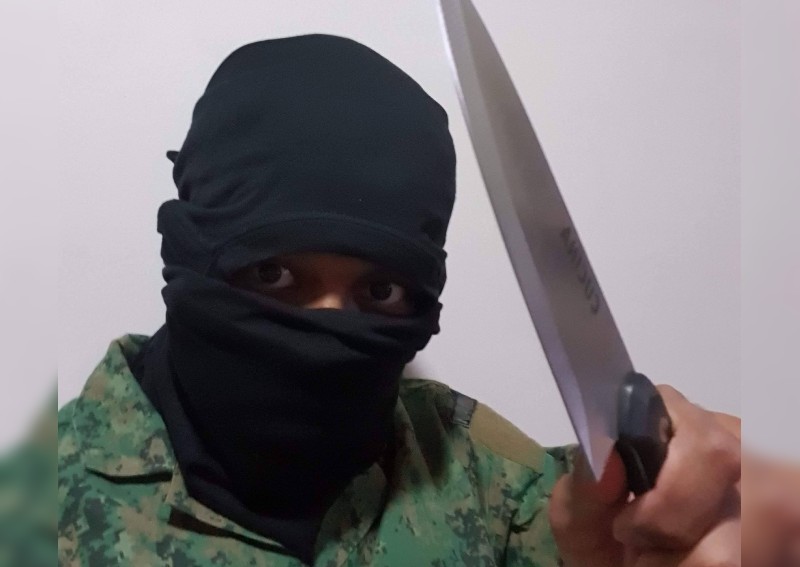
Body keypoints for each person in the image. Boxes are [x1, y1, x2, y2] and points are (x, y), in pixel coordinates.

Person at [57, 34, 795, 566]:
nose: (327, 329)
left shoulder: (509, 493)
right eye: (274, 274)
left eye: (379, 290)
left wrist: (717, 510)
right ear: (186, 246)